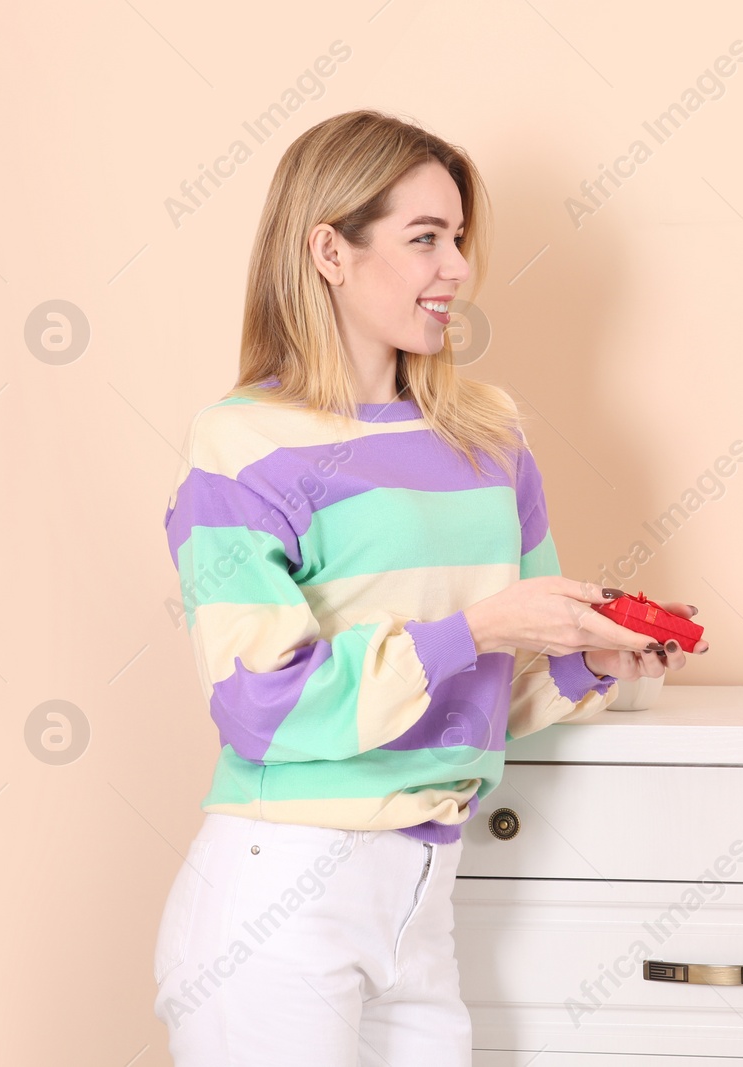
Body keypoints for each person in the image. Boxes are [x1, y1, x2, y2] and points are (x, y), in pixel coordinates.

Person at [150, 109, 705, 1066]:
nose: (456, 268)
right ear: (329, 248)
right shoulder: (240, 442)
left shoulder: (488, 432)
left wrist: (590, 662)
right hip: (282, 895)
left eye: (458, 239)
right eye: (425, 240)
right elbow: (261, 705)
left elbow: (492, 690)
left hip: (426, 895)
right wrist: (483, 625)